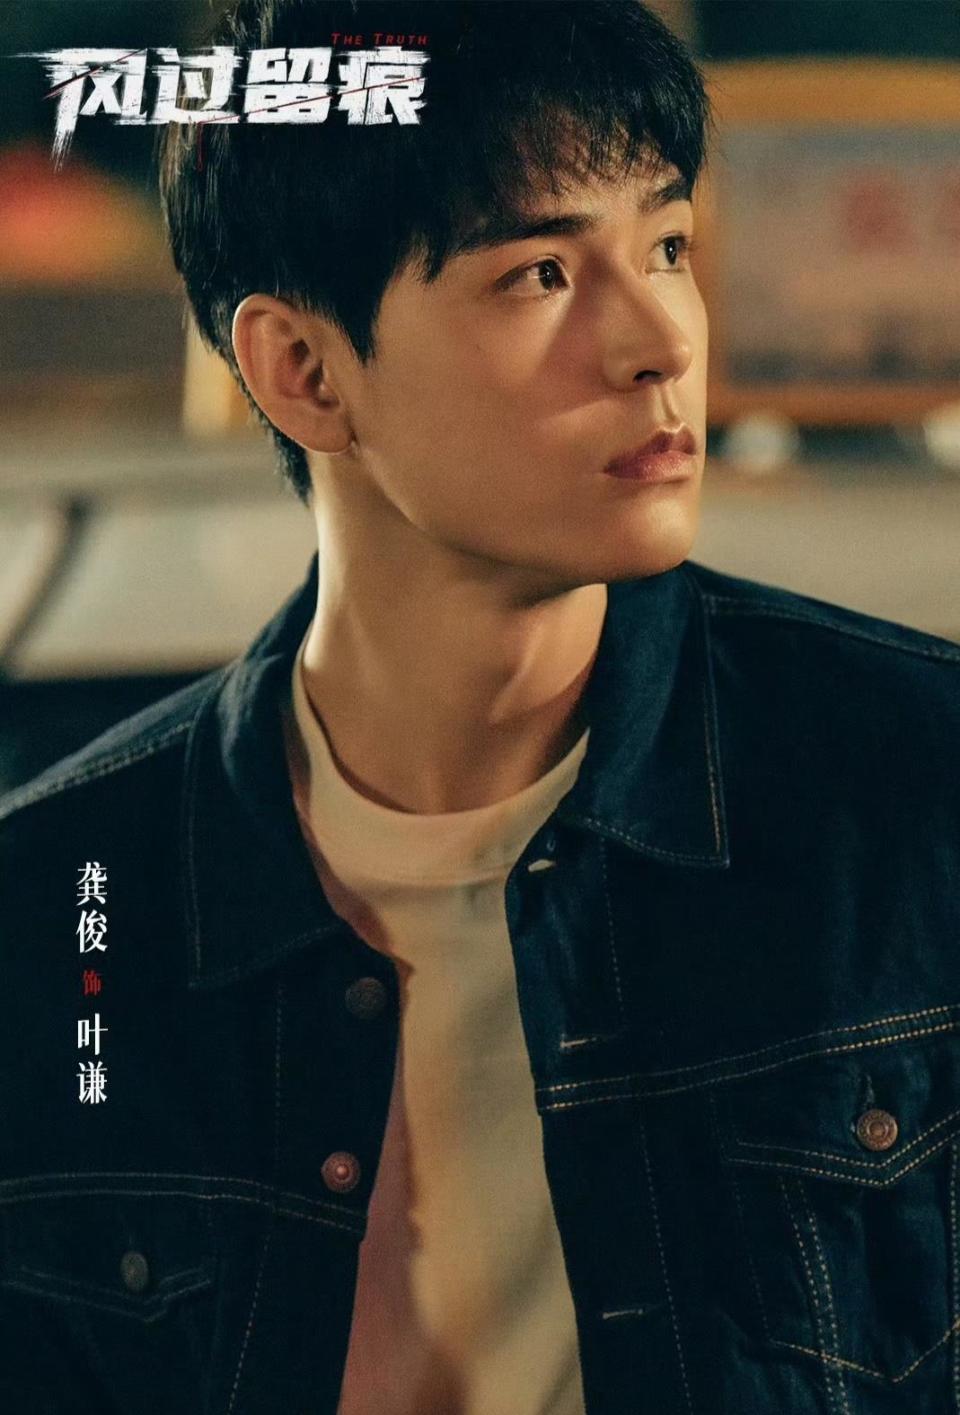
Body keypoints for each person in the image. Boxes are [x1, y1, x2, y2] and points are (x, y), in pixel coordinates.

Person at [2, 3, 959, 1413]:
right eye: (539, 274)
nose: (660, 340)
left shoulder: (911, 805)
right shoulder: (62, 912)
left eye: (668, 245)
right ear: (303, 371)